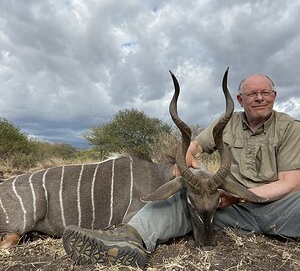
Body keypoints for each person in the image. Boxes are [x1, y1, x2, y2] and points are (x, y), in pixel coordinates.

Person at [62, 73, 300, 268]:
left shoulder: (290, 128)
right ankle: (128, 239)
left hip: (277, 206)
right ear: (239, 99)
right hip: (227, 207)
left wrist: (238, 196)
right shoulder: (225, 123)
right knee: (187, 194)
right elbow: (194, 147)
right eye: (252, 94)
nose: (259, 98)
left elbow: (290, 183)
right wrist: (185, 164)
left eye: (265, 93)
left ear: (274, 96)